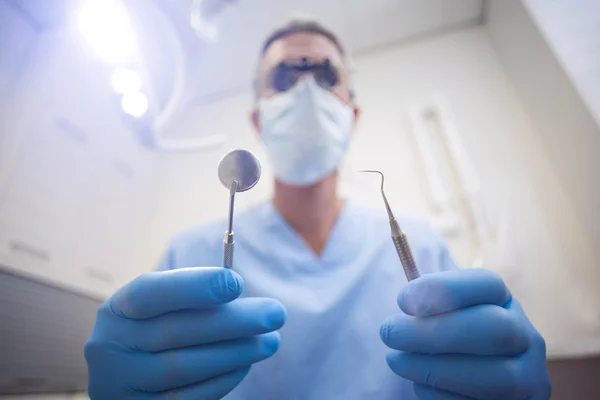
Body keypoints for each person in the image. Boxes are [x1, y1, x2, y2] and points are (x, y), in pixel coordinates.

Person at [84, 17, 551, 400]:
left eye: (326, 76)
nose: (306, 88)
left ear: (352, 114)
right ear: (257, 118)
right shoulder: (189, 254)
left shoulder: (422, 247)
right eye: (284, 77)